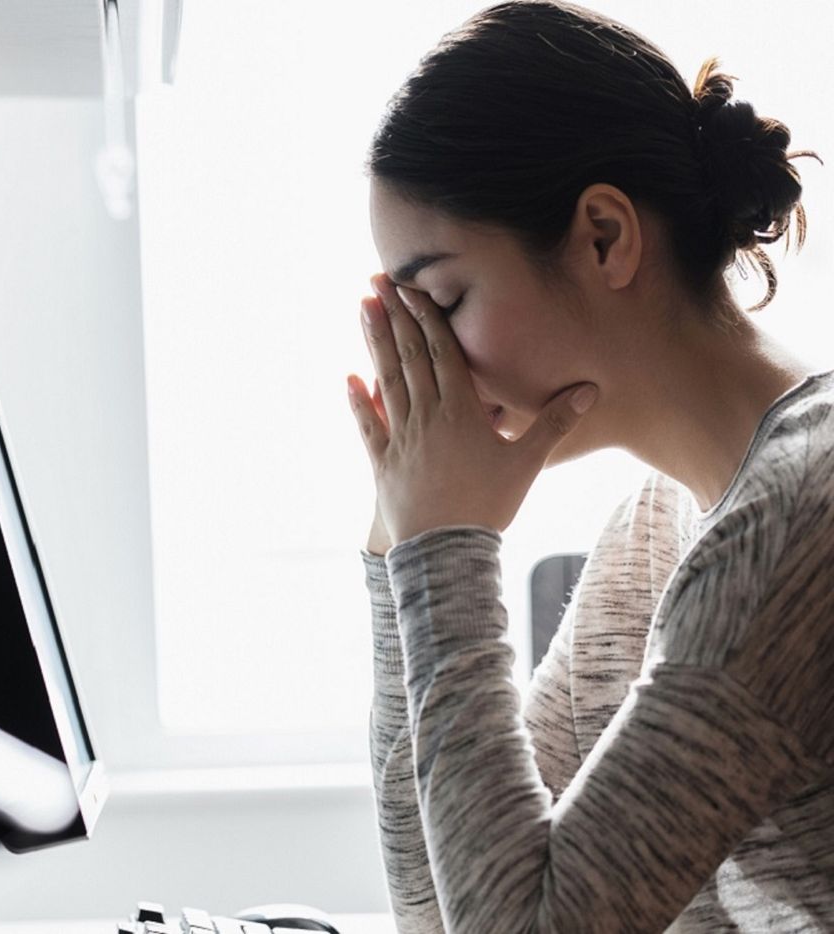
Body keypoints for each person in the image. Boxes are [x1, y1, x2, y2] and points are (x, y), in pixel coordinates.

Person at [341, 1, 832, 930]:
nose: (425, 364)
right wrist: (398, 537)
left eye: (443, 301)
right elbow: (442, 907)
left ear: (605, 236)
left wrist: (446, 544)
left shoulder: (801, 515)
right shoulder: (653, 536)